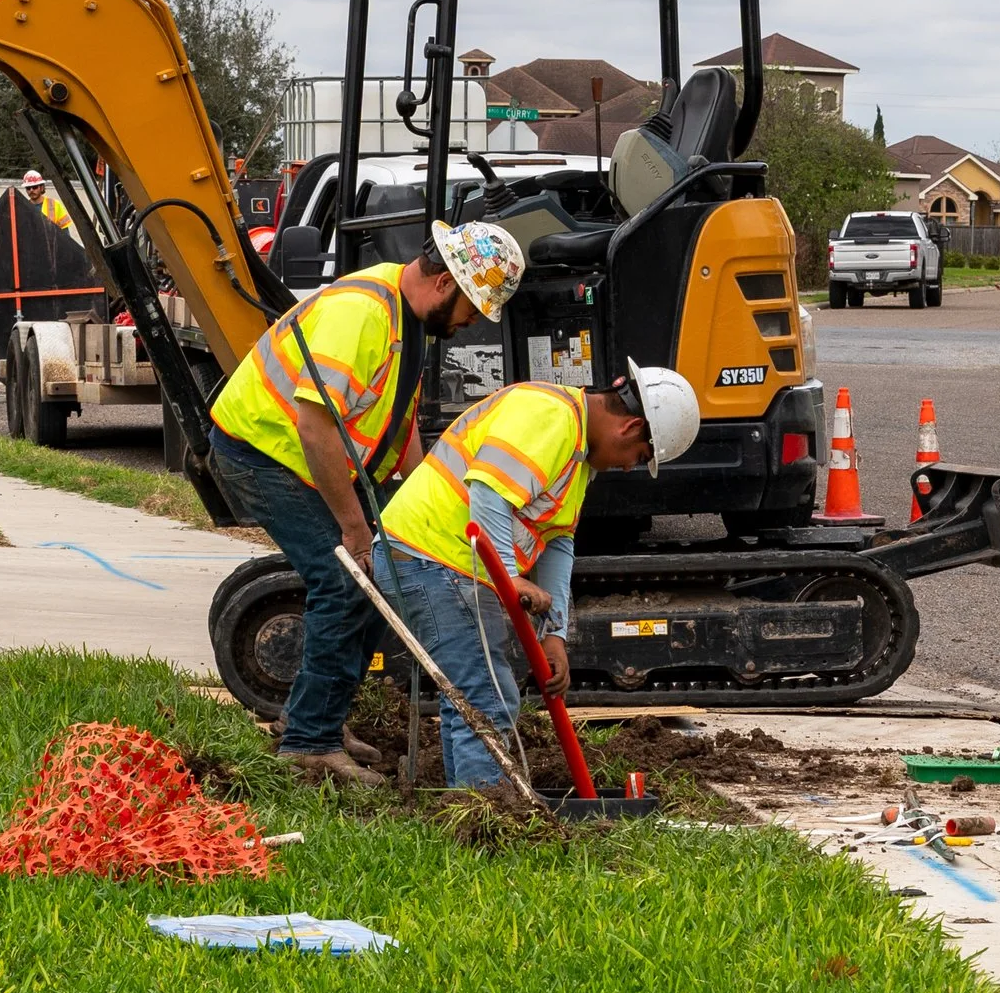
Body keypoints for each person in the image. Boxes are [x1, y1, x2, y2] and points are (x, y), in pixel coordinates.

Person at [208, 218, 527, 787]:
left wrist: (423, 499)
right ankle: (309, 741)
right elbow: (313, 427)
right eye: (473, 311)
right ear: (446, 284)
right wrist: (355, 528)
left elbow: (399, 423)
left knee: (376, 575)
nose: (470, 324)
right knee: (346, 577)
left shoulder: (408, 323)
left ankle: (318, 719)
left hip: (300, 457)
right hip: (262, 450)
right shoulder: (363, 312)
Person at [379, 358, 701, 793]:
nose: (628, 468)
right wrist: (509, 578)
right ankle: (485, 813)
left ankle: (468, 803)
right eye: (639, 457)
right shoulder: (551, 416)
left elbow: (557, 544)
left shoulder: (577, 457)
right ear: (629, 428)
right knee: (487, 695)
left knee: (473, 694)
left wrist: (554, 635)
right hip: (430, 555)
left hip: (441, 560)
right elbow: (488, 490)